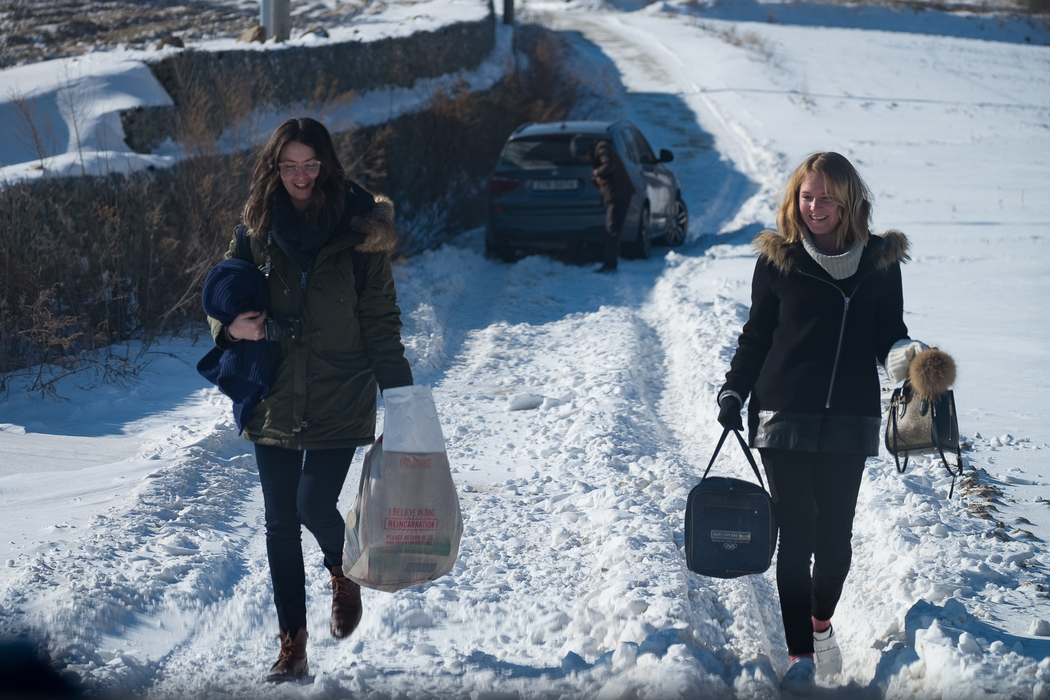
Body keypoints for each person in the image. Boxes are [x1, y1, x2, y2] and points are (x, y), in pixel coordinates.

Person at [716, 152, 946, 694]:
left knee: (835, 540)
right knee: (796, 533)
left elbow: (889, 336)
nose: (815, 207)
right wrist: (733, 389)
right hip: (782, 414)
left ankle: (821, 623)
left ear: (848, 202)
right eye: (806, 195)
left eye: (826, 197)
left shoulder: (879, 265)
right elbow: (757, 336)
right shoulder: (778, 261)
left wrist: (912, 358)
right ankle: (800, 654)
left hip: (850, 416)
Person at [207, 117, 413, 682]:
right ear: (276, 167)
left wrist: (403, 396)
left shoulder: (358, 234)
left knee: (312, 505)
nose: (300, 176)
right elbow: (223, 292)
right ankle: (293, 648)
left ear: (327, 166)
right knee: (278, 522)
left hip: (340, 390)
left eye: (310, 164)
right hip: (273, 392)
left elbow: (379, 320)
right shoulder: (254, 230)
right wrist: (231, 330)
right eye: (289, 164)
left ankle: (342, 570)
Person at [570, 134, 636, 273]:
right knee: (612, 228)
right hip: (616, 194)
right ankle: (610, 262)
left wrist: (597, 172)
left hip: (620, 193)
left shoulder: (602, 148)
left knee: (612, 229)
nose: (583, 160)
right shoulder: (598, 150)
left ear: (586, 150)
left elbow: (609, 164)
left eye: (582, 156)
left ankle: (610, 264)